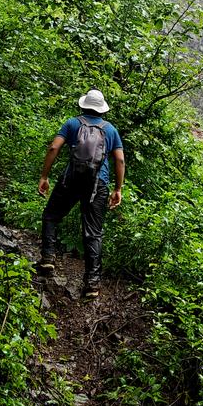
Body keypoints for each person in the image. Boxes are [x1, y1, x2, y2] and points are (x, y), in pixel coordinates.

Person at [37, 89, 125, 298]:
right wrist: (118, 189)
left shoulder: (72, 123)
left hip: (71, 179)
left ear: (83, 105)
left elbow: (53, 148)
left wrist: (44, 176)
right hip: (98, 184)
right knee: (93, 232)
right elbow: (120, 160)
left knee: (51, 215)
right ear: (102, 109)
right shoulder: (110, 130)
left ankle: (48, 258)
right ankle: (92, 284)